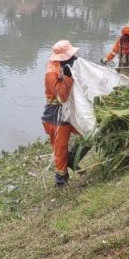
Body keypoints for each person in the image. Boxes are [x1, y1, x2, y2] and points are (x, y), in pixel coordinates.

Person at [42, 40, 79, 187]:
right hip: (55, 115)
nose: (74, 59)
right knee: (60, 148)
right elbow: (62, 97)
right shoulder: (51, 74)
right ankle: (61, 180)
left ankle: (72, 158)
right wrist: (68, 77)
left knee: (88, 132)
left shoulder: (64, 66)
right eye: (71, 57)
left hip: (68, 111)